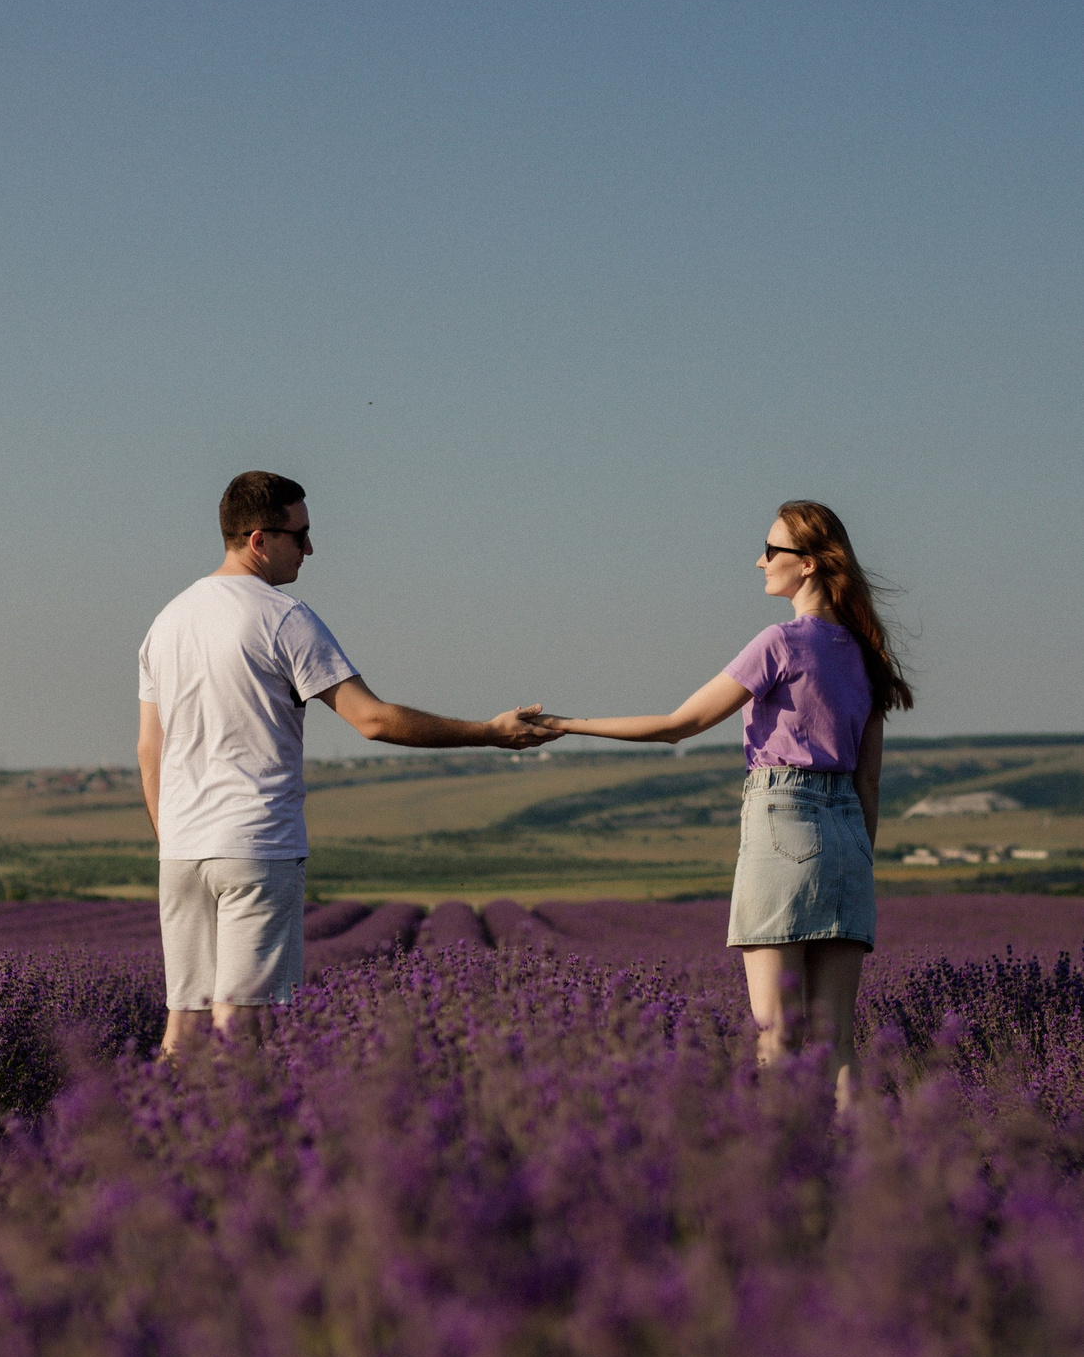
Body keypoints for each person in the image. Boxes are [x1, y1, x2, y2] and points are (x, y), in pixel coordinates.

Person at [138, 470, 558, 1055]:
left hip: (181, 853)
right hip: (257, 847)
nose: (310, 549)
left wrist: (174, 839)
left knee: (183, 1029)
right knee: (244, 1029)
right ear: (260, 540)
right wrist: (487, 732)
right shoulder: (283, 617)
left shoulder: (167, 622)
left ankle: (156, 1144)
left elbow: (148, 751)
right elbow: (373, 720)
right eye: (299, 535)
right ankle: (246, 1144)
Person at [540, 501, 913, 1109]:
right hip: (850, 843)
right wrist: (854, 862)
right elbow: (869, 784)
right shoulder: (868, 657)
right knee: (839, 1040)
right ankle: (867, 1182)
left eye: (773, 551)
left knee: (777, 1038)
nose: (760, 560)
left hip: (785, 827)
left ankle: (781, 1181)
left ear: (810, 565)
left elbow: (676, 725)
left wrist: (568, 724)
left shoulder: (780, 644)